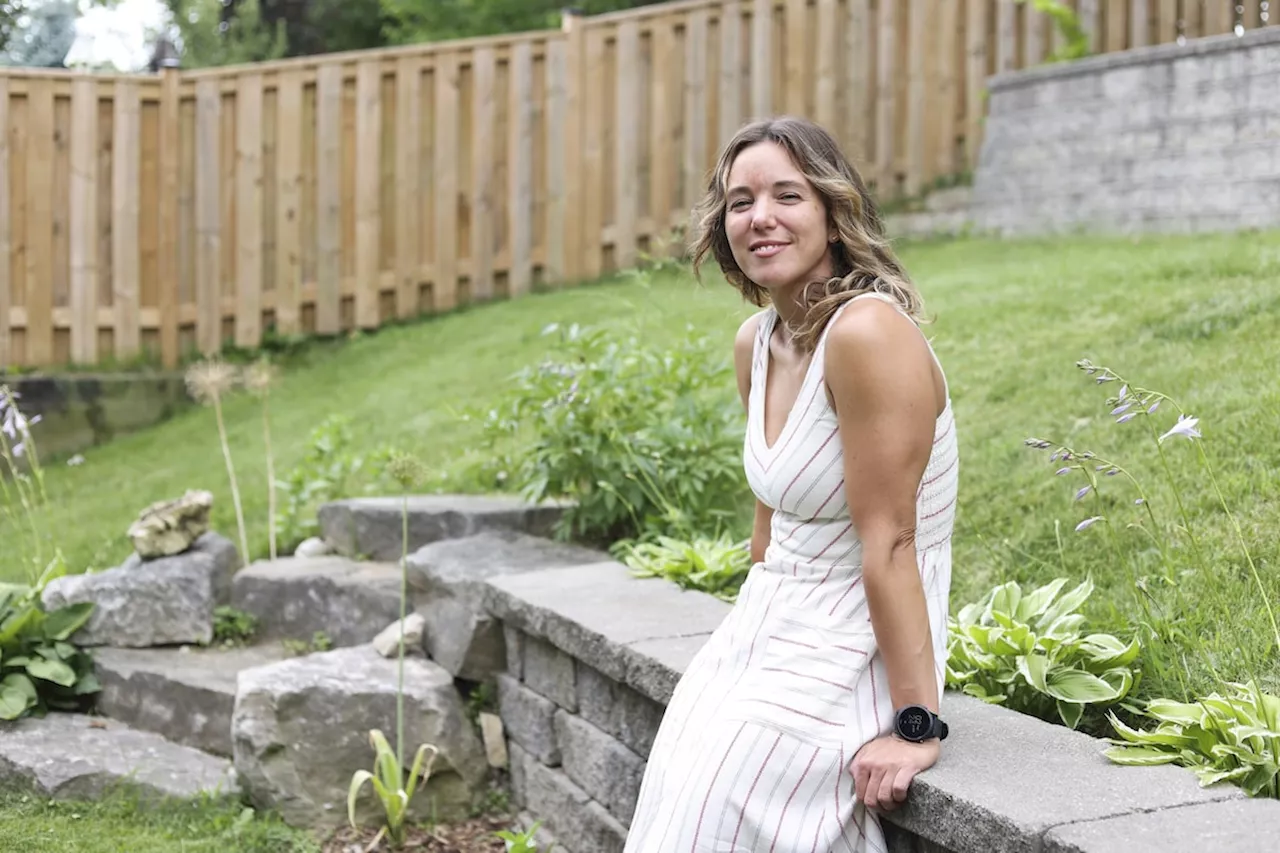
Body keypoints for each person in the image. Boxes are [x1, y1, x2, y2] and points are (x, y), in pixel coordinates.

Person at [623, 116, 959, 852]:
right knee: (678, 780)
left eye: (787, 195)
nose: (761, 218)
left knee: (718, 799)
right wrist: (738, 652)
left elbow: (894, 543)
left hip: (854, 640)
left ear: (833, 214)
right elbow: (769, 525)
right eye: (741, 202)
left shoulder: (868, 335)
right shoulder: (758, 344)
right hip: (770, 626)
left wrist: (916, 724)